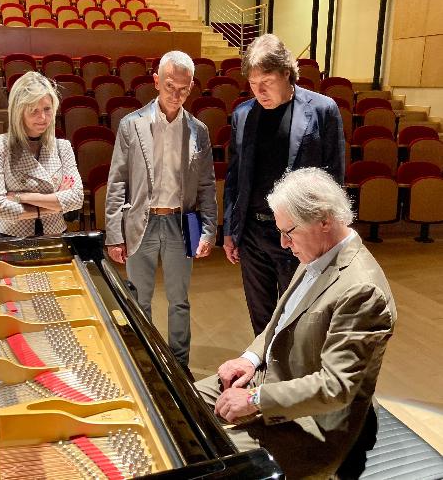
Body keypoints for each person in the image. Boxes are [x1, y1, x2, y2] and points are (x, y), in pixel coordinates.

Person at [196, 167, 396, 480]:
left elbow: (336, 386)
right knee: (178, 405)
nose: (283, 243)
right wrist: (248, 358)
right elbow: (280, 323)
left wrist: (254, 400)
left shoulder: (362, 290)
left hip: (313, 424)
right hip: (270, 380)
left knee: (212, 462)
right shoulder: (318, 254)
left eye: (289, 232)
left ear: (324, 221)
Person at [223, 34, 345, 336]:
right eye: (252, 83)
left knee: (300, 318)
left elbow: (335, 179)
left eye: (267, 81)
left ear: (287, 74)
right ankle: (265, 377)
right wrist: (230, 230)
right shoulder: (242, 115)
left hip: (300, 233)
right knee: (261, 319)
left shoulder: (323, 110)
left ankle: (296, 379)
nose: (259, 91)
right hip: (252, 233)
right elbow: (235, 178)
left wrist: (331, 236)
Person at [105, 51, 217, 376]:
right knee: (139, 301)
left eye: (183, 89)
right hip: (141, 221)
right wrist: (114, 235)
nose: (176, 94)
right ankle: (146, 363)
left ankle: (180, 368)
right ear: (156, 81)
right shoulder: (131, 125)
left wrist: (208, 230)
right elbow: (116, 183)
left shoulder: (199, 130)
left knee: (179, 302)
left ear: (192, 87)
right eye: (169, 86)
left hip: (183, 223)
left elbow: (208, 185)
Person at [0, 71, 84, 238]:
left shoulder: (63, 147)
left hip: (56, 235)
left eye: (47, 109)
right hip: (11, 238)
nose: (43, 117)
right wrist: (56, 202)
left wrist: (21, 197)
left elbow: (77, 198)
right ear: (18, 111)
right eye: (33, 111)